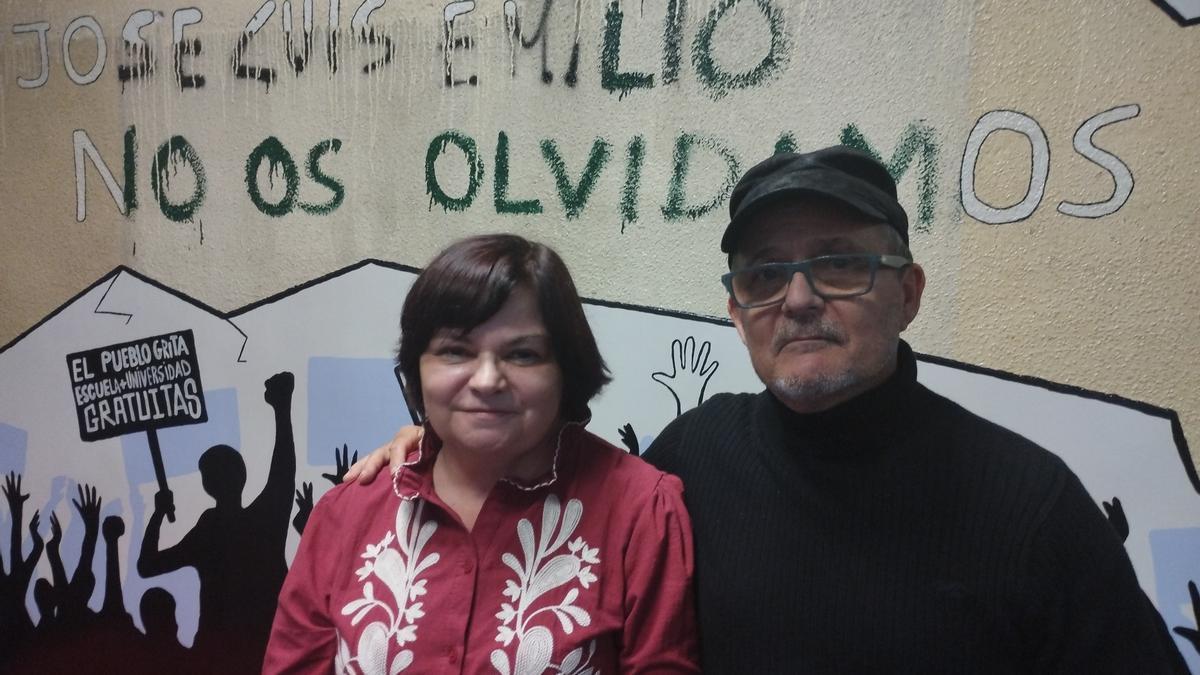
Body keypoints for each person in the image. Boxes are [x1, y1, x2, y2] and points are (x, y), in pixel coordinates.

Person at [347, 148, 1189, 672]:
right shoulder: (694, 457)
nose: (797, 298)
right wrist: (445, 443)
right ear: (736, 308)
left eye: (839, 264)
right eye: (763, 274)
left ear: (910, 291)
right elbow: (549, 470)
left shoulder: (1027, 505)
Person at [264, 234, 699, 673]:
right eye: (456, 350)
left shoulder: (641, 513)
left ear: (566, 371)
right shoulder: (347, 513)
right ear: (416, 369)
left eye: (523, 355)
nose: (487, 379)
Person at [138, 371, 296, 671]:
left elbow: (147, 565)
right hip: (268, 650)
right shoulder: (262, 519)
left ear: (208, 484)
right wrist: (281, 407)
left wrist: (158, 514)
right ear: (241, 476)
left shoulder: (209, 532)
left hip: (223, 655)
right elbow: (283, 472)